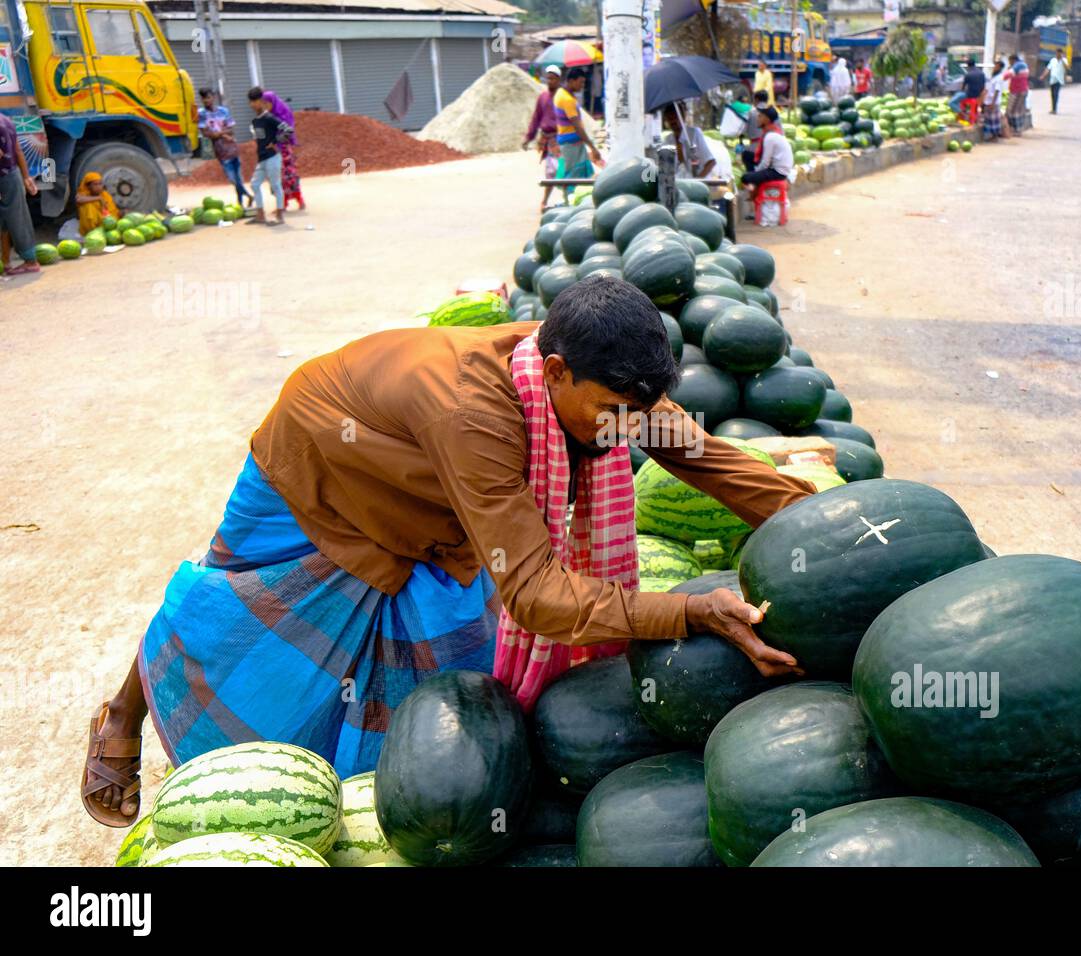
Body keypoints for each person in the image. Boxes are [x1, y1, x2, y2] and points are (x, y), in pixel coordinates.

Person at [79, 275, 813, 827]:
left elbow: (706, 457)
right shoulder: (477, 415)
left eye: (637, 412)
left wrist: (824, 518)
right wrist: (688, 612)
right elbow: (534, 594)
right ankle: (121, 713)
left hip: (428, 496)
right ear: (556, 374)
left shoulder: (608, 382)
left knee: (441, 652)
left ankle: (370, 784)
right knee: (236, 610)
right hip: (317, 455)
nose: (626, 431)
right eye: (613, 415)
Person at [249, 87, 304, 210]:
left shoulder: (281, 114)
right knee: (277, 179)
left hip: (283, 150)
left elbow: (289, 130)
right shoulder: (266, 117)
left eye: (267, 103)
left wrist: (276, 142)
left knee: (288, 177)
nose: (265, 105)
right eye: (264, 102)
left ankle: (295, 201)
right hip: (271, 153)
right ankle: (283, 204)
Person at [0, 112, 41, 277]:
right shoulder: (5, 120)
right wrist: (26, 177)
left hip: (3, 177)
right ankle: (7, 262)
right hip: (13, 174)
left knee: (16, 219)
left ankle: (31, 261)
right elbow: (18, 150)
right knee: (8, 219)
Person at [199, 88, 252, 208]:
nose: (206, 100)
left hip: (232, 148)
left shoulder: (224, 111)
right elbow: (206, 133)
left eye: (208, 97)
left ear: (213, 97)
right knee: (232, 179)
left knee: (238, 178)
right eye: (203, 98)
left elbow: (231, 130)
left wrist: (218, 134)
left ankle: (241, 203)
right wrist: (223, 134)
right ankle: (248, 196)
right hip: (220, 151)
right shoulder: (202, 114)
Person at [246, 89, 292, 225]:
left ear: (262, 102)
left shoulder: (270, 118)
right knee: (254, 185)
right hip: (262, 158)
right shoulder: (255, 121)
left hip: (273, 157)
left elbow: (288, 129)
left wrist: (276, 141)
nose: (253, 104)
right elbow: (260, 139)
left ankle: (280, 216)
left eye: (256, 101)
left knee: (276, 186)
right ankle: (260, 215)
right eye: (251, 102)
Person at [555, 68, 602, 192]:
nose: (582, 86)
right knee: (573, 176)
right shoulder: (567, 100)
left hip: (569, 142)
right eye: (580, 82)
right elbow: (577, 127)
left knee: (574, 174)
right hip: (571, 145)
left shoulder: (561, 93)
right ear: (571, 81)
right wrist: (593, 148)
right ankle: (571, 202)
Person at [740, 106, 793, 213]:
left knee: (745, 177)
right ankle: (754, 185)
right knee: (747, 155)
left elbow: (765, 163)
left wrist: (754, 174)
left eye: (760, 116)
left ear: (767, 119)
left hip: (777, 172)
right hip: (777, 168)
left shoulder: (770, 137)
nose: (757, 119)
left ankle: (754, 194)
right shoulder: (772, 133)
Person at [524, 64, 563, 212]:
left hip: (561, 138)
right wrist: (529, 136)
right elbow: (536, 118)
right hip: (548, 140)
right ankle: (544, 201)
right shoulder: (543, 97)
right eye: (548, 78)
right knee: (550, 172)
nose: (550, 81)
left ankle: (567, 199)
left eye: (553, 79)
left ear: (559, 79)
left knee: (565, 171)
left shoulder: (563, 97)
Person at [662, 101, 717, 179]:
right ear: (666, 120)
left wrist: (698, 181)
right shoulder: (668, 140)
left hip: (698, 184)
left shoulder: (694, 134)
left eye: (675, 117)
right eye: (670, 118)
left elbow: (710, 162)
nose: (673, 121)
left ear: (683, 117)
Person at [741, 90, 771, 171]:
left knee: (746, 156)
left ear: (756, 99)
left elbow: (742, 131)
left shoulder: (751, 113)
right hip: (771, 151)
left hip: (754, 150)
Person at [982, 59, 1008, 141]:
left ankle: (995, 136)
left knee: (993, 120)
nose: (994, 68)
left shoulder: (999, 78)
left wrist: (993, 103)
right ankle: (992, 136)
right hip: (989, 100)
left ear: (999, 67)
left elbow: (997, 91)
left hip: (993, 102)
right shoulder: (994, 77)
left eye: (996, 66)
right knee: (989, 119)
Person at [1007, 54, 1031, 136]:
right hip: (1024, 90)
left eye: (1009, 61)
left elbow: (1008, 75)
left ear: (1013, 60)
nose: (1009, 63)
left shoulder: (1017, 65)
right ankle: (1018, 129)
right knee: (1020, 110)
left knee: (1012, 110)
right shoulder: (1024, 65)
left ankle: (1016, 129)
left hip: (1016, 91)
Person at [956, 58, 986, 125]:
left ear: (968, 65)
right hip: (979, 95)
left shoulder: (968, 74)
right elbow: (983, 86)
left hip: (970, 95)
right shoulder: (982, 73)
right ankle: (974, 117)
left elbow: (963, 88)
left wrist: (960, 93)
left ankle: (963, 115)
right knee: (973, 105)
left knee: (959, 99)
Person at [1041, 50, 1068, 114]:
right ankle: (1053, 109)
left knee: (1056, 94)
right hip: (1052, 80)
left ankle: (1055, 109)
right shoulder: (1053, 60)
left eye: (1059, 53)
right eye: (1057, 53)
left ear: (1062, 54)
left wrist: (1062, 60)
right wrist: (1043, 76)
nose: (1058, 54)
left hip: (1059, 80)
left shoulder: (1064, 60)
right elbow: (1048, 69)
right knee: (1052, 95)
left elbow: (1067, 68)